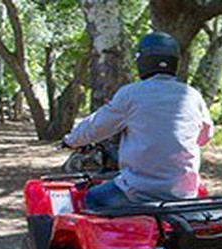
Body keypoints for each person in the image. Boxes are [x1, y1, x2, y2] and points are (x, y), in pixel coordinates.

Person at [62, 31, 214, 209]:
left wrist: (71, 141)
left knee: (92, 198)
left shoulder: (131, 94)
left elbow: (95, 126)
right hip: (184, 193)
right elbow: (206, 136)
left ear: (142, 61)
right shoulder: (192, 95)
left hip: (139, 192)